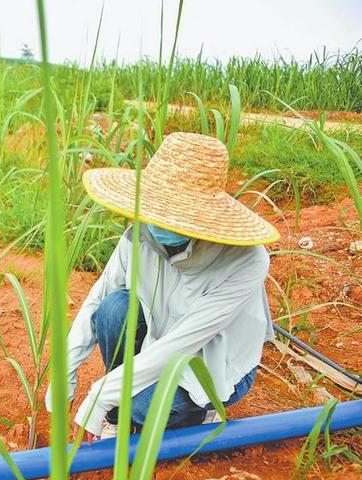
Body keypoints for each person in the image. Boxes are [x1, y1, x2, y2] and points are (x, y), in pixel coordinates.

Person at [45, 132, 280, 442]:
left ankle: (196, 412)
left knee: (144, 405)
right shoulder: (140, 234)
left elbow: (183, 342)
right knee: (114, 309)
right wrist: (66, 371)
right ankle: (120, 413)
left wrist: (102, 394)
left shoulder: (245, 262)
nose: (158, 222)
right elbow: (98, 299)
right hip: (158, 340)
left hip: (212, 362)